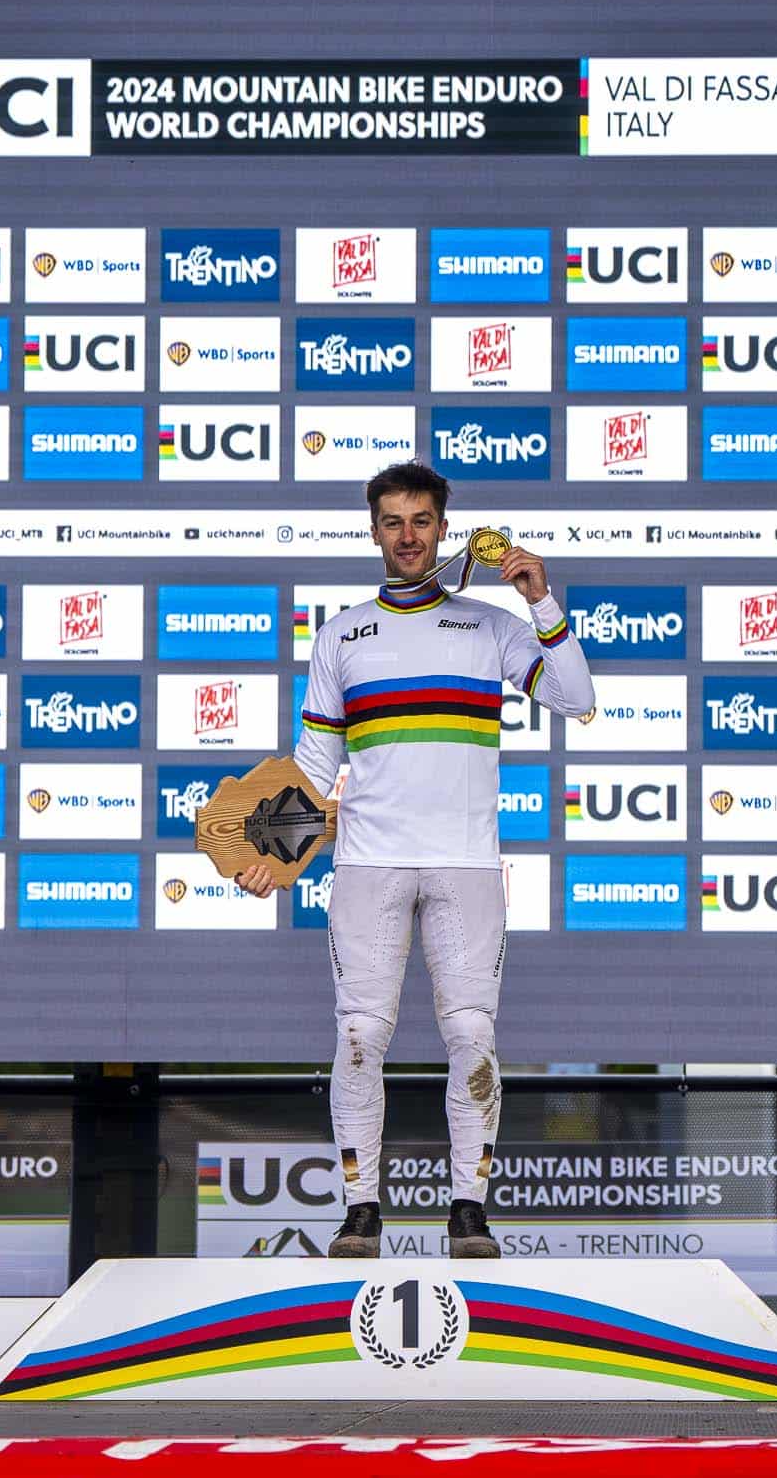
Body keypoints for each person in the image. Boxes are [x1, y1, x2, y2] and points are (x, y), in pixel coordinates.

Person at [236, 462, 594, 1260]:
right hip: (369, 865)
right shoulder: (341, 634)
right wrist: (272, 855)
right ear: (373, 530)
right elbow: (315, 764)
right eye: (393, 521)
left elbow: (577, 698)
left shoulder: (492, 626)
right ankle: (360, 1211)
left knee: (472, 1035)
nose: (408, 536)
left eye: (421, 521)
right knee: (360, 1036)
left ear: (443, 529)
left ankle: (469, 1210)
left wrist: (540, 600)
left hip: (466, 865)